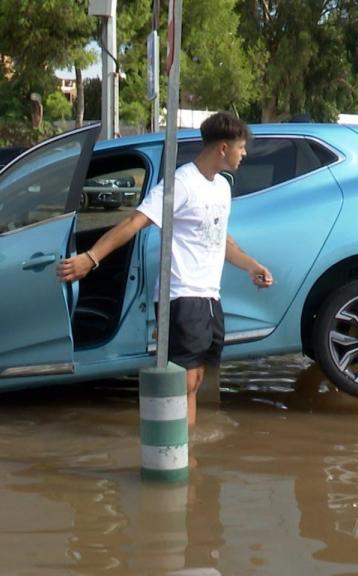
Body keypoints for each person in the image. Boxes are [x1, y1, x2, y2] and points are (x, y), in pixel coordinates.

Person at [56, 112, 273, 428]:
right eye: (241, 147)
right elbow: (135, 221)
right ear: (223, 148)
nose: (245, 154)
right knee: (183, 384)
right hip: (181, 295)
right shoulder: (181, 184)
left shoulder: (222, 188)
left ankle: (188, 452)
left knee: (196, 380)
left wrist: (251, 266)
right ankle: (176, 456)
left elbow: (221, 239)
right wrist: (90, 259)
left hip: (210, 297)